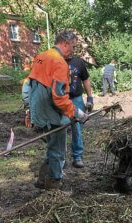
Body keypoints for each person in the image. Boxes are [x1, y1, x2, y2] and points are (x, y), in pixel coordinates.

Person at [27, 30, 89, 190]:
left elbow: (32, 85)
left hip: (39, 111)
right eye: (73, 47)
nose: (74, 51)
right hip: (51, 113)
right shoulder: (60, 63)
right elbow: (59, 97)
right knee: (58, 150)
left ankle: (42, 179)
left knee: (52, 145)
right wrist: (76, 112)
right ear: (65, 43)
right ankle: (53, 185)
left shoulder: (42, 56)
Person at [66, 56, 93, 168]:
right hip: (61, 98)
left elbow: (85, 79)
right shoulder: (56, 59)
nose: (73, 49)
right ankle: (60, 158)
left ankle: (77, 157)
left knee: (77, 128)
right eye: (72, 46)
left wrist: (90, 98)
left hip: (76, 99)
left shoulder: (78, 62)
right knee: (60, 127)